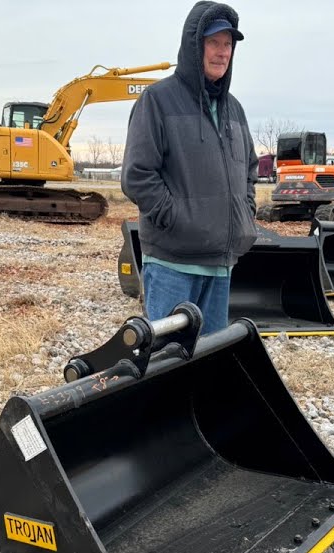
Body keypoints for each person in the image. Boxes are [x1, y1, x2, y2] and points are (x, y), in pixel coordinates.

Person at [121, 1, 258, 335]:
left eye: (228, 44)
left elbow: (250, 172)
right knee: (167, 363)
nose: (222, 52)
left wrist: (244, 216)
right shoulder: (157, 100)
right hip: (173, 265)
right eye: (214, 42)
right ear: (194, 45)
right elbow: (137, 175)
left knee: (210, 364)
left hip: (221, 266)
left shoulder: (234, 110)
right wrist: (179, 220)